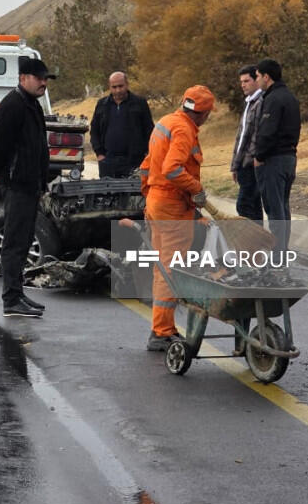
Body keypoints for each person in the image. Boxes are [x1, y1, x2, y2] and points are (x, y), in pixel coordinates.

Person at [140, 85, 215, 351]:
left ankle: (161, 328)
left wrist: (149, 194)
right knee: (170, 268)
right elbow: (172, 169)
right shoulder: (183, 130)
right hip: (171, 206)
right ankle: (161, 332)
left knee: (161, 267)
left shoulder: (166, 122)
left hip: (157, 202)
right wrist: (196, 189)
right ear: (203, 113)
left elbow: (148, 164)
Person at [0, 56, 55, 318]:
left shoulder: (31, 105)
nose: (44, 83)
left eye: (45, 79)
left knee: (25, 241)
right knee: (14, 243)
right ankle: (11, 299)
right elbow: (0, 146)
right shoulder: (13, 105)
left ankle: (18, 293)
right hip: (16, 184)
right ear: (23, 78)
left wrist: (41, 181)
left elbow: (37, 146)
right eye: (39, 78)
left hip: (30, 184)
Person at [251, 59, 301, 263]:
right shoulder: (290, 97)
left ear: (266, 77)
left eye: (257, 76)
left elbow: (267, 132)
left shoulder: (273, 99)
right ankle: (282, 251)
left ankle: (277, 256)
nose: (256, 80)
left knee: (274, 209)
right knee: (283, 208)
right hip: (289, 157)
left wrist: (259, 156)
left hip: (274, 160)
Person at [90, 71, 155, 178]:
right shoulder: (102, 104)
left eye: (121, 86)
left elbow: (149, 130)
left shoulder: (140, 103)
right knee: (107, 193)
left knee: (134, 193)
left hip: (134, 162)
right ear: (109, 87)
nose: (118, 90)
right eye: (114, 87)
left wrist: (147, 154)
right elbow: (94, 130)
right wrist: (100, 154)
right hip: (107, 161)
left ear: (127, 84)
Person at [229, 65, 264, 223]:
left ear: (256, 80)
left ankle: (252, 241)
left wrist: (249, 160)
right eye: (241, 82)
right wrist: (235, 165)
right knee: (252, 205)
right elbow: (241, 137)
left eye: (246, 81)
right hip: (243, 164)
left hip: (251, 163)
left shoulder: (261, 101)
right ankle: (257, 242)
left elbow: (255, 136)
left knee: (245, 204)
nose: (243, 85)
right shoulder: (249, 103)